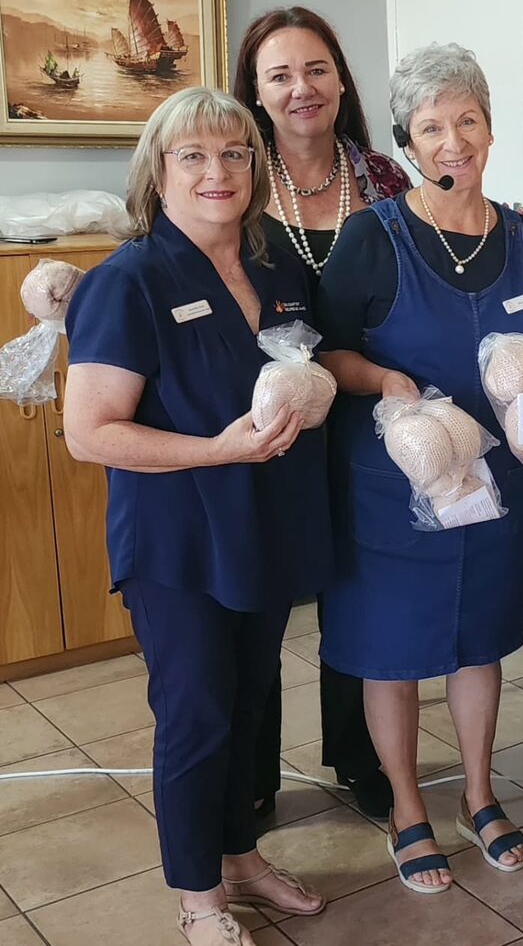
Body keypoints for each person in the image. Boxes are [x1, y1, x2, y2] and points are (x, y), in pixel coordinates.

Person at [63, 86, 331, 946]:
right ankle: (199, 896)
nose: (218, 171)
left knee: (250, 701)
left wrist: (317, 394)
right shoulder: (129, 281)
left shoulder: (276, 268)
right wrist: (215, 450)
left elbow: (306, 368)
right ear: (158, 171)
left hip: (263, 525)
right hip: (178, 539)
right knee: (196, 713)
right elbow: (89, 432)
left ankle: (240, 857)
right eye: (194, 156)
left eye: (235, 153)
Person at [314, 42, 523, 894]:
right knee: (391, 652)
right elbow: (326, 354)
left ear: (490, 126)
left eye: (468, 120)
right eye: (431, 128)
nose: (454, 142)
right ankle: (409, 808)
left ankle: (479, 795)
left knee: (479, 641)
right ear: (407, 143)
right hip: (395, 487)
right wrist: (385, 381)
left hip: (493, 490)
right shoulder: (371, 238)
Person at [232, 5, 411, 823]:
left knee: (359, 589)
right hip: (267, 418)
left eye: (316, 69)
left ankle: (359, 754)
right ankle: (252, 773)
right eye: (280, 75)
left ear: (341, 79)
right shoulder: (234, 175)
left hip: (368, 411)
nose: (301, 87)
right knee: (261, 593)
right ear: (256, 91)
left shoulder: (382, 176)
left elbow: (433, 253)